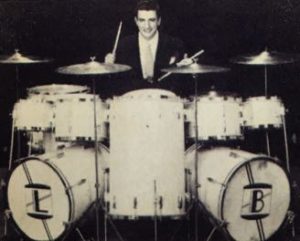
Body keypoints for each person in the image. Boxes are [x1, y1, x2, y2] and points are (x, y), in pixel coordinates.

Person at [105, 0, 192, 90]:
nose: (147, 26)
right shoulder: (124, 45)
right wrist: (108, 68)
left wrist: (189, 68)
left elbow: (182, 84)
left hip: (165, 101)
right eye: (142, 20)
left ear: (159, 21)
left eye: (152, 20)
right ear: (136, 21)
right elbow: (115, 84)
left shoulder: (175, 44)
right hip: (133, 101)